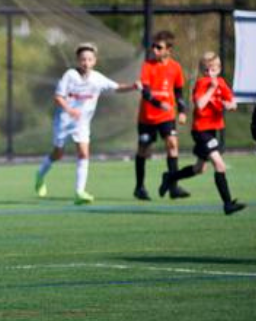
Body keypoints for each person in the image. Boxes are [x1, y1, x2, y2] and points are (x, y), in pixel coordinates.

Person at [35, 43, 140, 204]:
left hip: (81, 124)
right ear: (78, 60)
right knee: (58, 154)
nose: (86, 62)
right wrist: (70, 110)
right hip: (63, 121)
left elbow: (117, 87)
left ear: (94, 61)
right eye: (83, 59)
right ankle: (40, 175)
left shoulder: (97, 78)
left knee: (84, 153)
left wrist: (133, 86)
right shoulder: (70, 75)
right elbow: (58, 97)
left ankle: (79, 192)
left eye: (89, 59)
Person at [158, 52, 244, 215]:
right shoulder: (202, 84)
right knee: (219, 164)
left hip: (212, 130)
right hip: (201, 131)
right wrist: (211, 88)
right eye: (206, 70)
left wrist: (229, 105)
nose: (209, 73)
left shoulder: (221, 83)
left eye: (212, 69)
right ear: (202, 71)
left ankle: (170, 177)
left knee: (199, 169)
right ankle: (227, 204)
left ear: (218, 69)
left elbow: (232, 103)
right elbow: (200, 105)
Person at [133, 30, 189, 201]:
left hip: (167, 117)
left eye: (159, 47)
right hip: (147, 118)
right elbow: (146, 93)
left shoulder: (176, 67)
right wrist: (159, 104)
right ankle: (140, 187)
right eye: (153, 47)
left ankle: (173, 186)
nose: (154, 50)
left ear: (168, 50)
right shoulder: (147, 66)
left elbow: (179, 92)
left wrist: (182, 111)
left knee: (172, 144)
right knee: (143, 149)